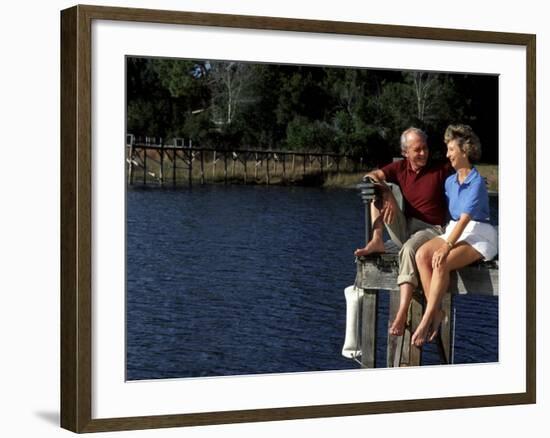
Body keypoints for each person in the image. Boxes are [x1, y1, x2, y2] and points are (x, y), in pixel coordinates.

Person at [342, 127, 451, 358]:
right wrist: (387, 192)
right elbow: (370, 176)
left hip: (433, 230)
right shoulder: (399, 168)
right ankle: (378, 239)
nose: (423, 153)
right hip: (407, 226)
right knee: (377, 188)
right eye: (417, 149)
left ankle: (402, 311)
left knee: (410, 249)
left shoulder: (440, 169)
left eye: (425, 148)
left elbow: (464, 174)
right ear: (405, 152)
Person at [411, 124, 498, 347]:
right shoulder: (450, 182)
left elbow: (466, 219)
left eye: (451, 149)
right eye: (447, 149)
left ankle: (427, 318)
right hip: (454, 229)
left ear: (464, 151)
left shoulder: (477, 182)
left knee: (441, 262)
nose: (448, 154)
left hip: (478, 233)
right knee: (422, 256)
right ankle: (437, 311)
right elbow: (450, 217)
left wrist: (446, 246)